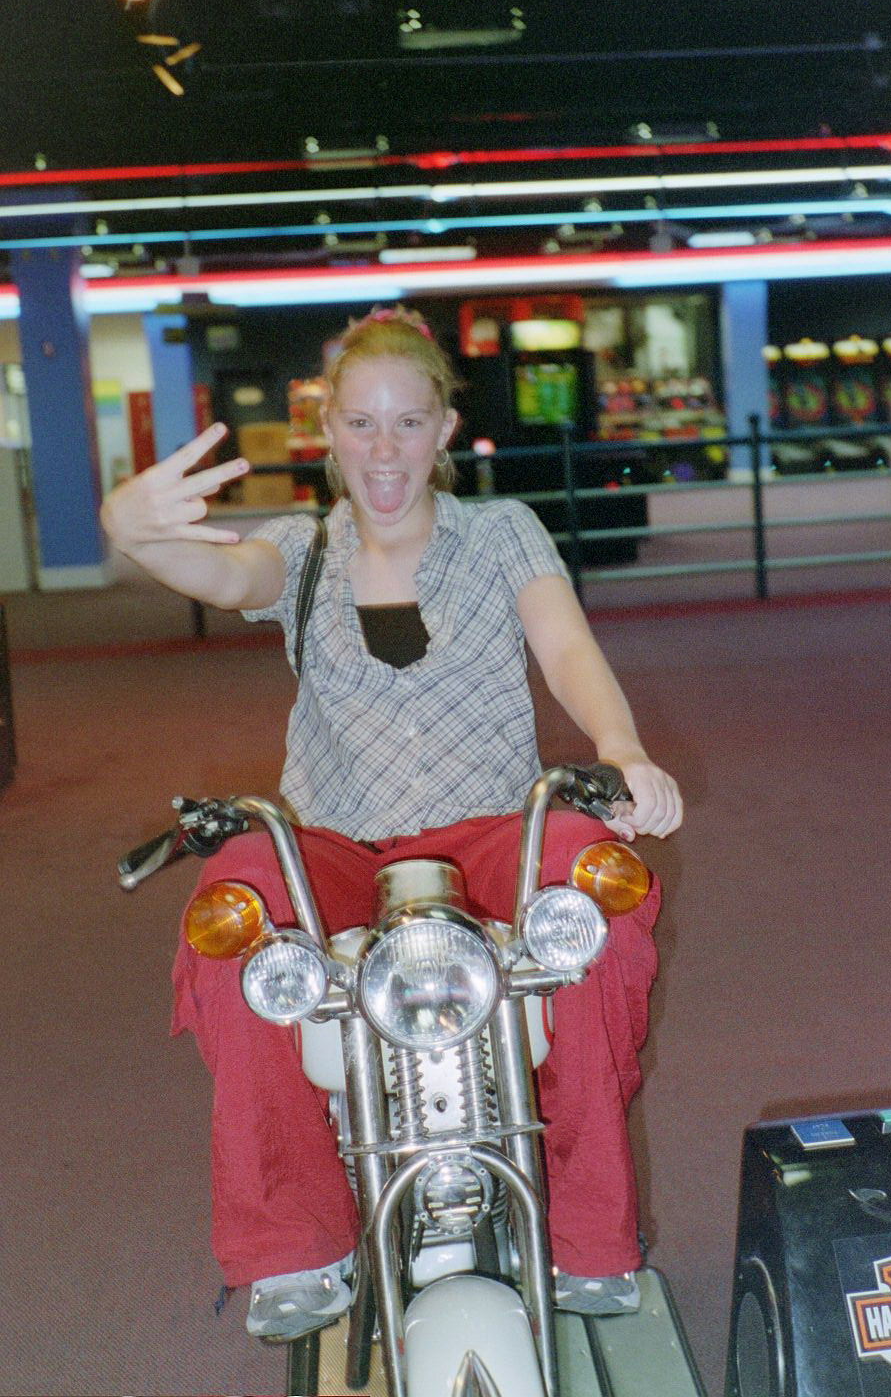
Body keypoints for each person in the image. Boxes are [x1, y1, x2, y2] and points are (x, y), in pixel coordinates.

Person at [101, 306, 683, 1341]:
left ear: (445, 429)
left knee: (599, 891)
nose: (384, 451)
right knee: (233, 909)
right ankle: (295, 1242)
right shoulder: (301, 549)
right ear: (329, 430)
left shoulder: (501, 532)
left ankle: (588, 1231)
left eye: (408, 424)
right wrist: (130, 528)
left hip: (490, 827)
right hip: (336, 843)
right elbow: (224, 573)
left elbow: (565, 649)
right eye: (361, 424)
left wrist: (622, 747)